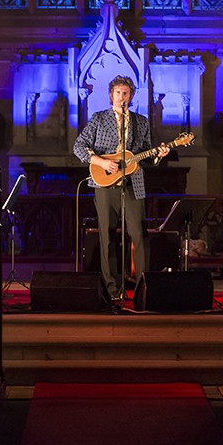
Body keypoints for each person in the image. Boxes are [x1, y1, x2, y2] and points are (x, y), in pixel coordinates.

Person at [73, 76, 170, 302]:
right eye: (118, 93)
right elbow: (79, 146)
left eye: (126, 93)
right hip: (105, 185)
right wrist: (101, 162)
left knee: (139, 236)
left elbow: (145, 153)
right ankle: (113, 290)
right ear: (111, 95)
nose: (121, 97)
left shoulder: (141, 122)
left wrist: (158, 155)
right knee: (107, 237)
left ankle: (142, 290)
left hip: (133, 184)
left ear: (132, 96)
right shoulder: (99, 119)